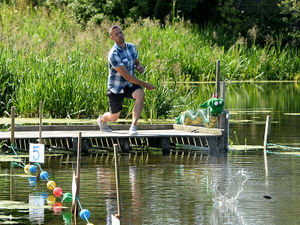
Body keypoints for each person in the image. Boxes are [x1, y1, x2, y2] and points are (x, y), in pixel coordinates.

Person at [97, 25, 156, 135]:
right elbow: (127, 76)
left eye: (120, 32)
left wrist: (139, 66)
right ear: (112, 38)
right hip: (116, 87)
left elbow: (136, 61)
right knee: (114, 117)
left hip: (129, 85)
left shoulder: (132, 47)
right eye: (116, 34)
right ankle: (102, 119)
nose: (120, 35)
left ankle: (133, 127)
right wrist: (146, 84)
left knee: (140, 94)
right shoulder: (113, 54)